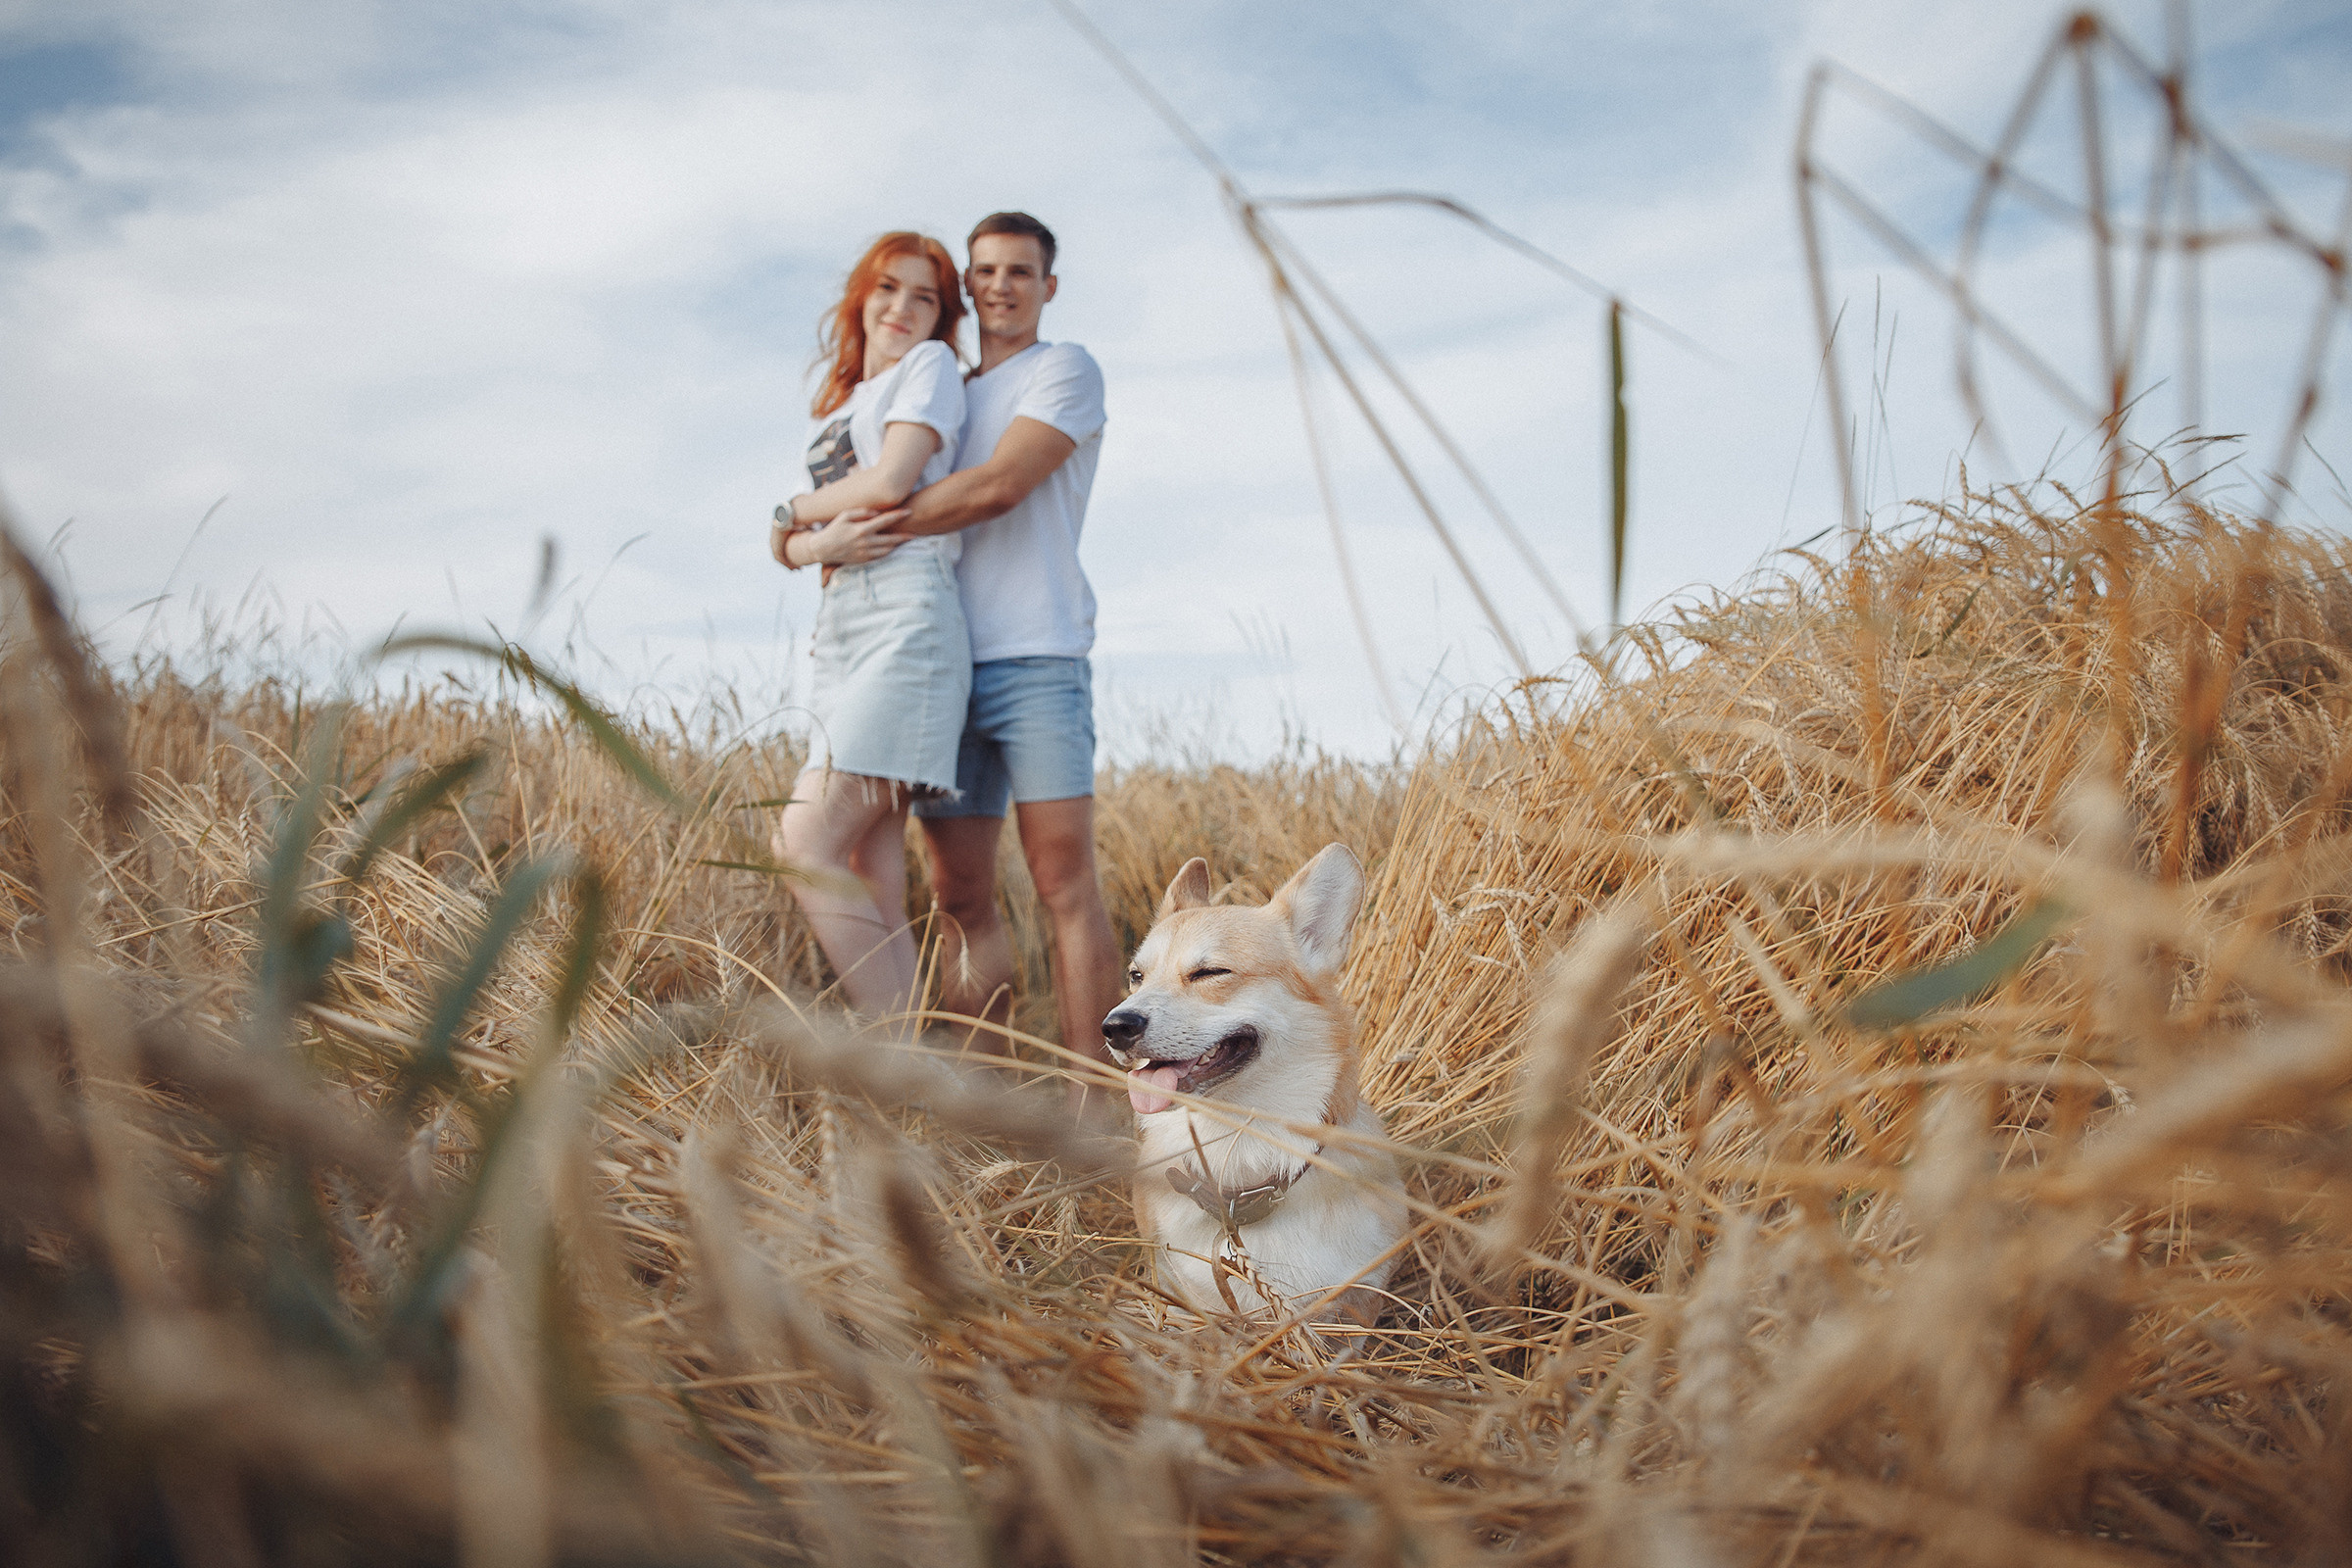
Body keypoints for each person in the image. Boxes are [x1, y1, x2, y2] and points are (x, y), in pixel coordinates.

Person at [847, 213, 1123, 1115]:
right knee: (958, 891)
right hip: (948, 667)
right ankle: (995, 1106)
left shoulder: (1065, 371)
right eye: (986, 273)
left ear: (1048, 285)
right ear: (970, 287)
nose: (1001, 286)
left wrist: (861, 521)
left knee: (1062, 884)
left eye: (1020, 271)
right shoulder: (946, 387)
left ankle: (1100, 1108)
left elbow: (1002, 484)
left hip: (1041, 658)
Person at [766, 231, 969, 1018]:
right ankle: (914, 1088)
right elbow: (800, 549)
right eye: (889, 289)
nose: (902, 308)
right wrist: (815, 540)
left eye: (925, 297)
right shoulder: (848, 403)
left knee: (803, 843)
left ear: (941, 316)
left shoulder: (931, 369)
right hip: (844, 622)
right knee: (867, 862)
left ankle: (901, 1071)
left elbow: (886, 484)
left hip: (904, 617)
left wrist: (785, 518)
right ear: (862, 296)